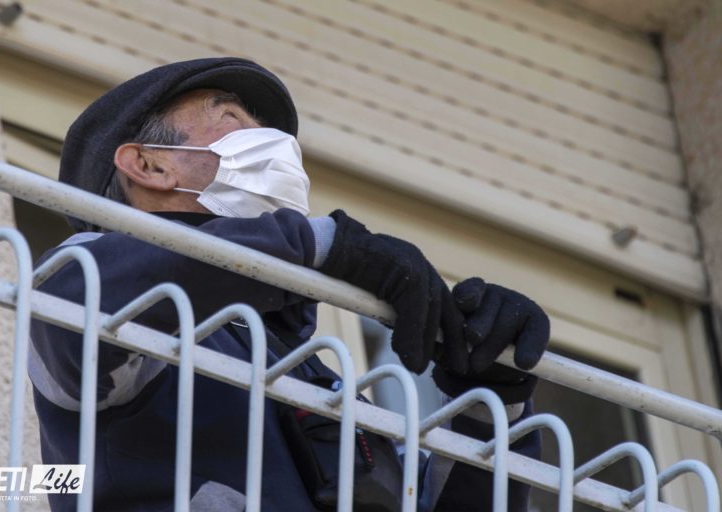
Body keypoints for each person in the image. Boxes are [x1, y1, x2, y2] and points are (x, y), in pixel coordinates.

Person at [29, 57, 550, 511]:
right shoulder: (88, 275)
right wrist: (329, 247)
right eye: (234, 120)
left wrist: (489, 403)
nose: (276, 146)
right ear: (148, 164)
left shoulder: (319, 376)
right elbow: (97, 300)